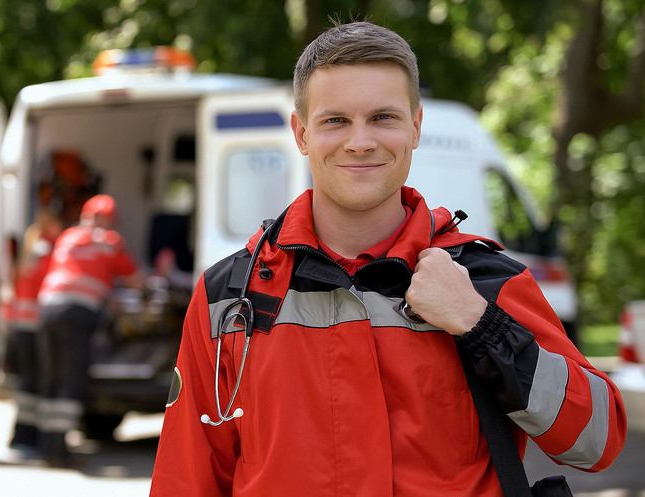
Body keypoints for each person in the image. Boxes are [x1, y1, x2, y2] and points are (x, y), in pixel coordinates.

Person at [149, 21, 627, 496]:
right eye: (335, 120)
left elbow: (595, 442)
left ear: (415, 127)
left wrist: (480, 325)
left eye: (383, 117)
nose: (360, 141)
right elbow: (184, 479)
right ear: (300, 134)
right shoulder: (229, 296)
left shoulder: (483, 281)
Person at [36, 193, 140, 466]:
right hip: (77, 314)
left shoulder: (68, 236)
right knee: (71, 380)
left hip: (47, 309)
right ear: (103, 218)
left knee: (52, 378)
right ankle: (59, 453)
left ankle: (47, 446)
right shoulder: (110, 242)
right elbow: (135, 280)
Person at [5, 208, 63, 452]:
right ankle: (33, 437)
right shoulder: (47, 249)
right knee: (40, 382)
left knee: (27, 383)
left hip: (20, 325)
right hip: (37, 326)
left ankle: (23, 435)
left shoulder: (30, 250)